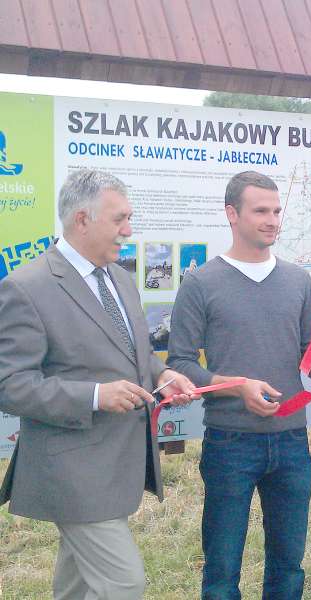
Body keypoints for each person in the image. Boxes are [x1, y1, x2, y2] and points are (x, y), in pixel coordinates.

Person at [0, 169, 196, 600]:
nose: (129, 231)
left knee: (76, 585)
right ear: (82, 220)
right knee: (122, 583)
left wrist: (162, 374)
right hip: (71, 470)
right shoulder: (26, 288)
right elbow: (10, 385)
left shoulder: (119, 278)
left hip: (115, 466)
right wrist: (95, 396)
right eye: (120, 219)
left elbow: (134, 352)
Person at [167, 171, 311, 599]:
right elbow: (181, 365)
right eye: (260, 210)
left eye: (277, 210)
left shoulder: (299, 280)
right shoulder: (200, 283)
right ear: (232, 214)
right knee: (223, 572)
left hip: (292, 443)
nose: (272, 219)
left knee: (289, 567)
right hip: (230, 443)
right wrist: (237, 385)